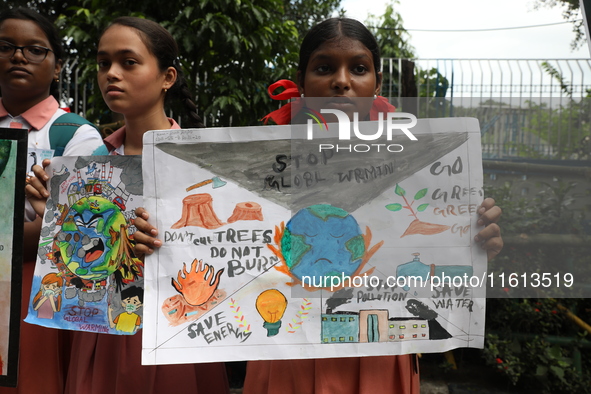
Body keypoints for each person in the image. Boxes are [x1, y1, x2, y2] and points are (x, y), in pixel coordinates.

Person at [133, 17, 502, 394]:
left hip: (377, 355)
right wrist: (156, 239)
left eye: (358, 68)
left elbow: (434, 261)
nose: (342, 80)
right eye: (324, 68)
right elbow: (213, 246)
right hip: (285, 354)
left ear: (377, 84)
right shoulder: (256, 161)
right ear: (302, 82)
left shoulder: (418, 166)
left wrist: (473, 238)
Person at [27, 16, 228, 394]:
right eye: (104, 63)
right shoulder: (84, 166)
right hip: (101, 328)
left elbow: (225, 256)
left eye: (128, 62)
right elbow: (69, 257)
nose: (111, 74)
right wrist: (50, 217)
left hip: (177, 328)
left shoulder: (203, 164)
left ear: (167, 77)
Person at [0, 8, 105, 394]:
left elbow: (79, 235)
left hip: (38, 287)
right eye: (6, 47)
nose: (18, 56)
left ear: (58, 66)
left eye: (34, 50)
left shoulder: (77, 136)